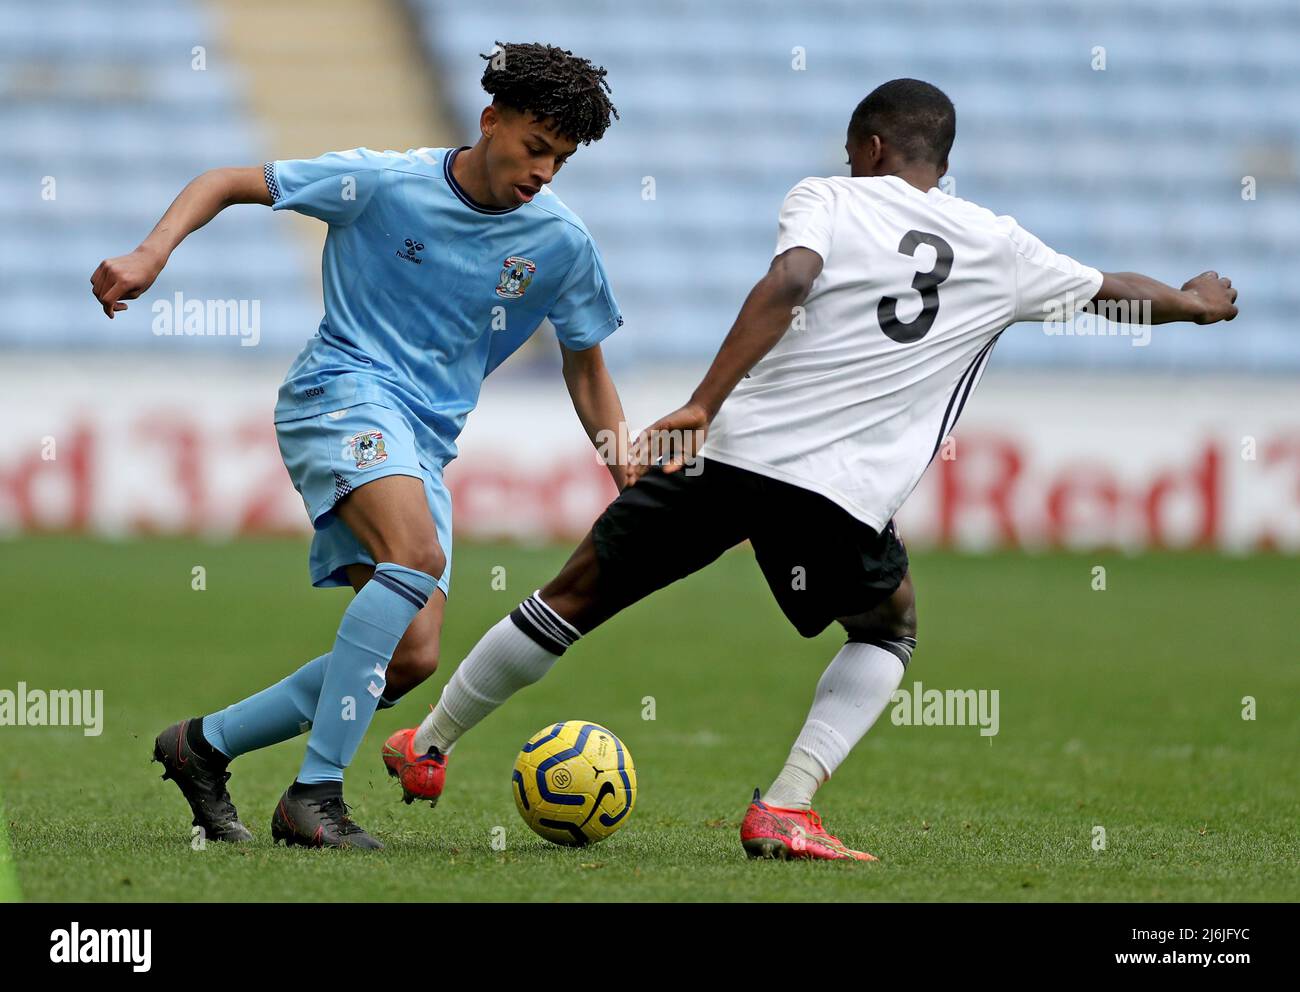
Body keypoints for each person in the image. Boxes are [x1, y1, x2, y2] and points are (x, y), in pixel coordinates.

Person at [385, 77, 1239, 860]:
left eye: (848, 152)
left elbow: (791, 278)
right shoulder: (1001, 246)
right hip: (840, 490)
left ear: (868, 148)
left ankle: (427, 746)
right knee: (887, 628)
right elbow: (1116, 291)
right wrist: (1196, 305)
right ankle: (786, 807)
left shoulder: (827, 196)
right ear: (938, 160)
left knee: (573, 594)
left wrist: (702, 404)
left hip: (732, 452)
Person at [91, 42, 629, 849]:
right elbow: (226, 181)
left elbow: (586, 368)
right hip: (338, 392)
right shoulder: (381, 182)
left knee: (412, 656)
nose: (545, 171)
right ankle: (314, 796)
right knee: (415, 558)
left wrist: (627, 467)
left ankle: (201, 746)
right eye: (535, 147)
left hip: (422, 442)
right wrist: (150, 253)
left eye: (562, 158)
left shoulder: (560, 244)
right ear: (490, 121)